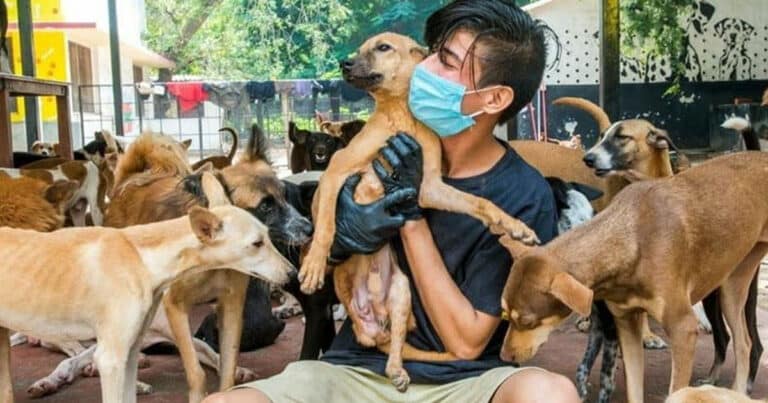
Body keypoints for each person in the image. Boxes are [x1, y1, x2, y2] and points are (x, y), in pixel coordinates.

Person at [204, 1, 579, 402]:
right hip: (357, 367)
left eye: (446, 62)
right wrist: (339, 238)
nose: (425, 66)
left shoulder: (523, 195)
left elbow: (467, 342)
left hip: (465, 380)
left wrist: (411, 218)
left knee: (549, 393)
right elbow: (319, 269)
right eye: (431, 52)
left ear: (493, 98)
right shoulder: (380, 143)